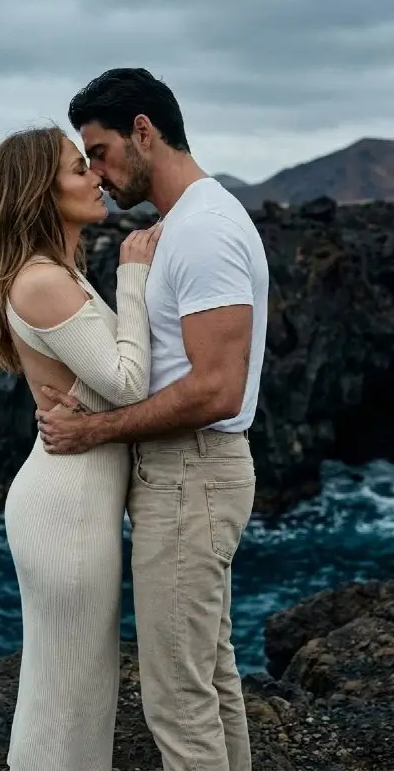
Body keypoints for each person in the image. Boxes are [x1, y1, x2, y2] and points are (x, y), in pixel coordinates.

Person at [36, 68, 269, 771]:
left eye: (99, 151)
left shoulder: (202, 231)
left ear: (143, 130)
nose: (97, 174)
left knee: (175, 699)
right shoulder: (190, 222)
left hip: (189, 477)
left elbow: (216, 391)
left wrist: (92, 431)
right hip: (189, 477)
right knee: (209, 675)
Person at [0, 124, 162, 771]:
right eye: (79, 170)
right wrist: (132, 274)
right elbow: (128, 384)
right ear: (41, 195)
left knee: (73, 689)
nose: (98, 177)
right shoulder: (44, 281)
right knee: (68, 697)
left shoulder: (58, 273)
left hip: (72, 501)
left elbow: (104, 381)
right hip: (66, 511)